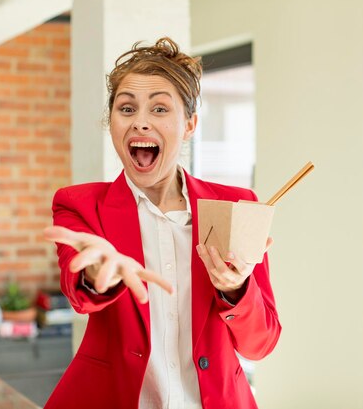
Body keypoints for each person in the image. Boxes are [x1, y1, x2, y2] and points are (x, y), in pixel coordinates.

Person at [43, 37, 281, 409]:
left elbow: (260, 344)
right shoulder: (81, 205)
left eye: (159, 109)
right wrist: (96, 274)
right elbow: (80, 297)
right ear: (112, 123)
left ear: (189, 125)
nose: (140, 122)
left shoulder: (236, 206)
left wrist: (237, 289)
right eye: (126, 108)